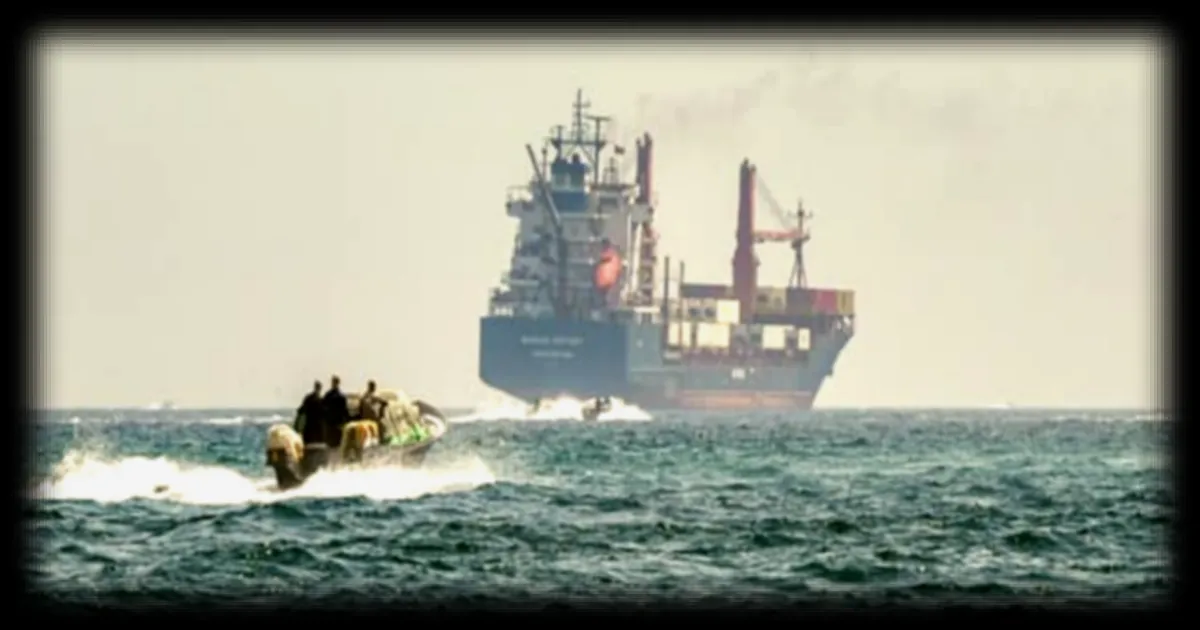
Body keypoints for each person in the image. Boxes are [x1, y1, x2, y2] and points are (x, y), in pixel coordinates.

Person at [321, 375, 350, 448]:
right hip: (334, 422)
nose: (333, 383)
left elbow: (344, 410)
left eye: (334, 382)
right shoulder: (340, 396)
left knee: (333, 442)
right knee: (335, 443)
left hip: (333, 422)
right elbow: (344, 410)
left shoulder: (330, 395)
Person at [294, 380, 326, 445]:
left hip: (309, 428)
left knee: (308, 445)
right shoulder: (321, 400)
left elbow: (300, 411)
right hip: (318, 429)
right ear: (320, 389)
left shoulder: (309, 398)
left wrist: (296, 427)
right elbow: (325, 414)